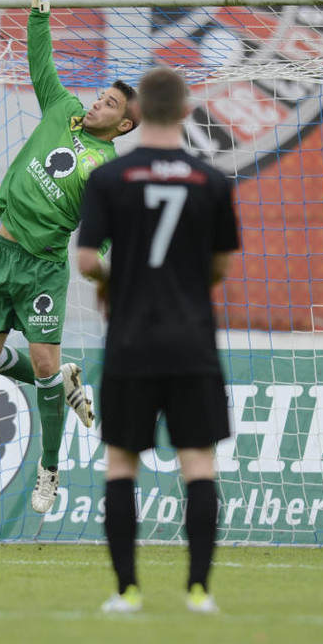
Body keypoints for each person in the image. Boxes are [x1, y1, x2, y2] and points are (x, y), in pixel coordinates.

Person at [0, 0, 139, 514]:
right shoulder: (62, 109)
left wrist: (104, 259)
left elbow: (103, 232)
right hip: (2, 253)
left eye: (110, 104)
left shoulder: (105, 168)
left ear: (124, 126)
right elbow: (39, 58)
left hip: (42, 268)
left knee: (42, 364)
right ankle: (64, 382)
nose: (97, 103)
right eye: (101, 96)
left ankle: (49, 471)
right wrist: (40, 2)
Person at [77, 66, 239, 613]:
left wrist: (115, 281)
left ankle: (126, 591)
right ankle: (199, 591)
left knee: (122, 464)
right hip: (192, 341)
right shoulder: (211, 181)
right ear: (187, 112)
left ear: (138, 111)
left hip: (130, 341)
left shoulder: (109, 178)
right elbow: (221, 266)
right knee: (199, 464)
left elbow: (86, 261)